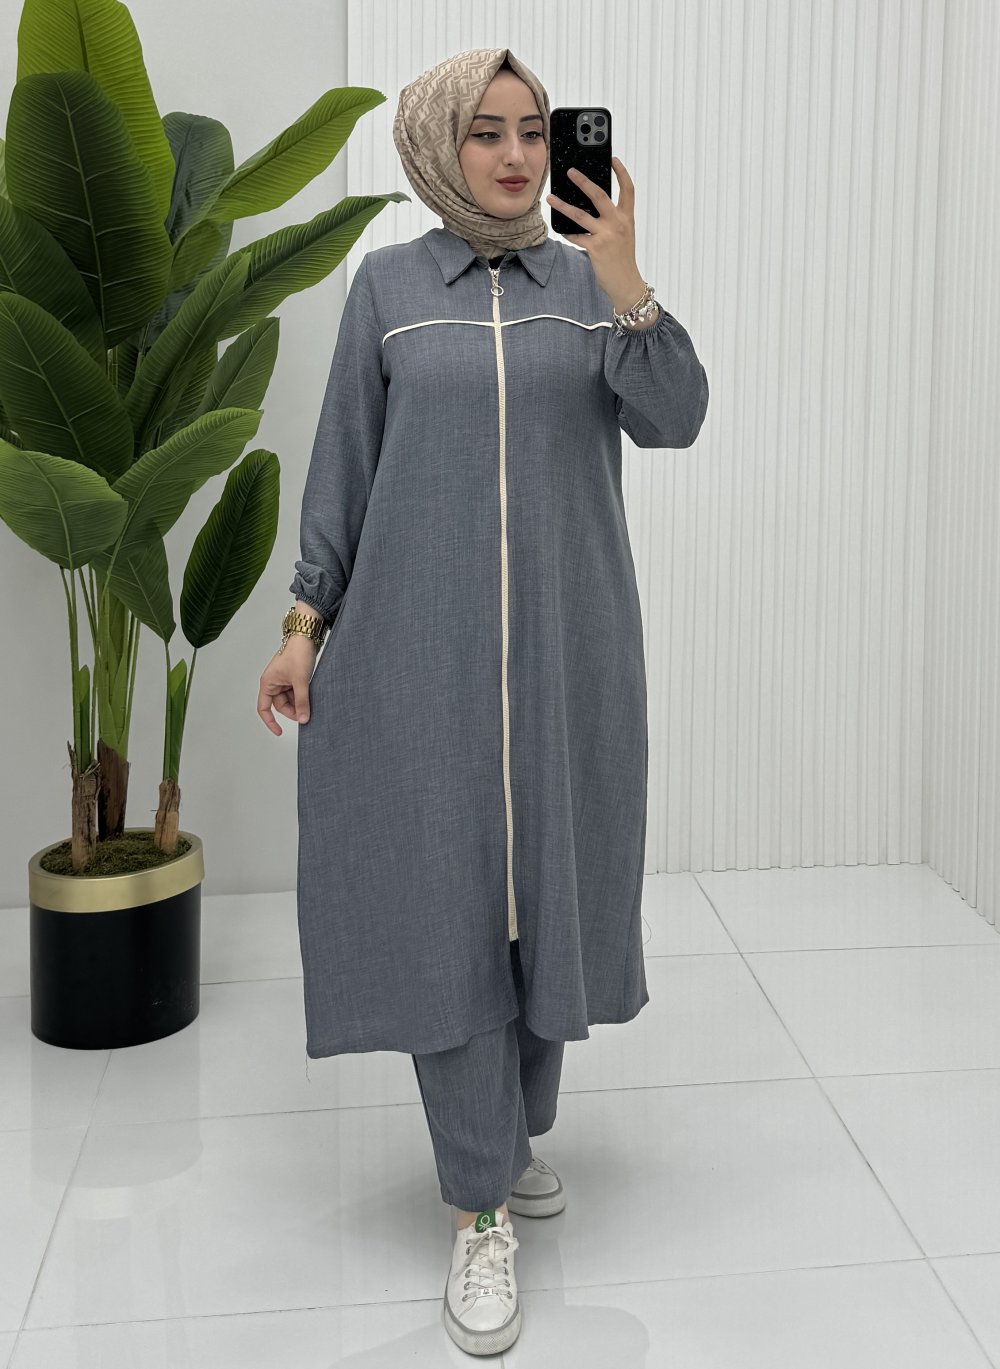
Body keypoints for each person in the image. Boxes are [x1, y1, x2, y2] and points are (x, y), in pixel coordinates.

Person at [256, 46, 709, 1358]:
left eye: (533, 131)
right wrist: (303, 627)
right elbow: (342, 471)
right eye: (486, 131)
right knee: (443, 903)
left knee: (545, 898)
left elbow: (676, 418)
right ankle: (478, 1207)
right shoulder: (388, 289)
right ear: (438, 145)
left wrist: (627, 280)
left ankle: (506, 1139)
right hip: (418, 659)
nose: (515, 155)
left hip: (571, 655)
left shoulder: (588, 289)